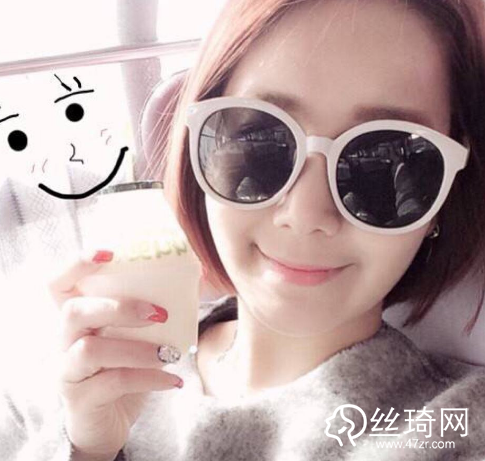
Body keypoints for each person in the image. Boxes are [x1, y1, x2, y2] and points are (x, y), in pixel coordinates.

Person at [2, 0, 485, 460]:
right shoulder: (79, 362)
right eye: (263, 141)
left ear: (445, 193)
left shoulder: (456, 428)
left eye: (387, 158)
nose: (305, 214)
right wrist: (86, 449)